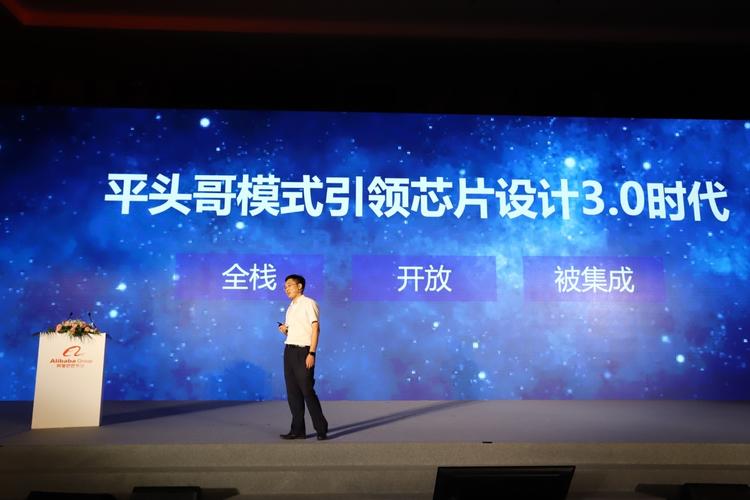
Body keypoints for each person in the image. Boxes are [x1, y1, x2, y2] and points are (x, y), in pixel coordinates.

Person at [278, 274, 328, 440]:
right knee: (293, 392)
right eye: (285, 287)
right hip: (289, 351)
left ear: (299, 286)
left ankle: (321, 429)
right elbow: (296, 330)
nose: (286, 289)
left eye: (289, 285)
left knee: (307, 390)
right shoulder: (290, 307)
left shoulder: (309, 303)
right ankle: (298, 430)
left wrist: (311, 353)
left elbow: (315, 329)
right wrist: (285, 330)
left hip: (304, 352)